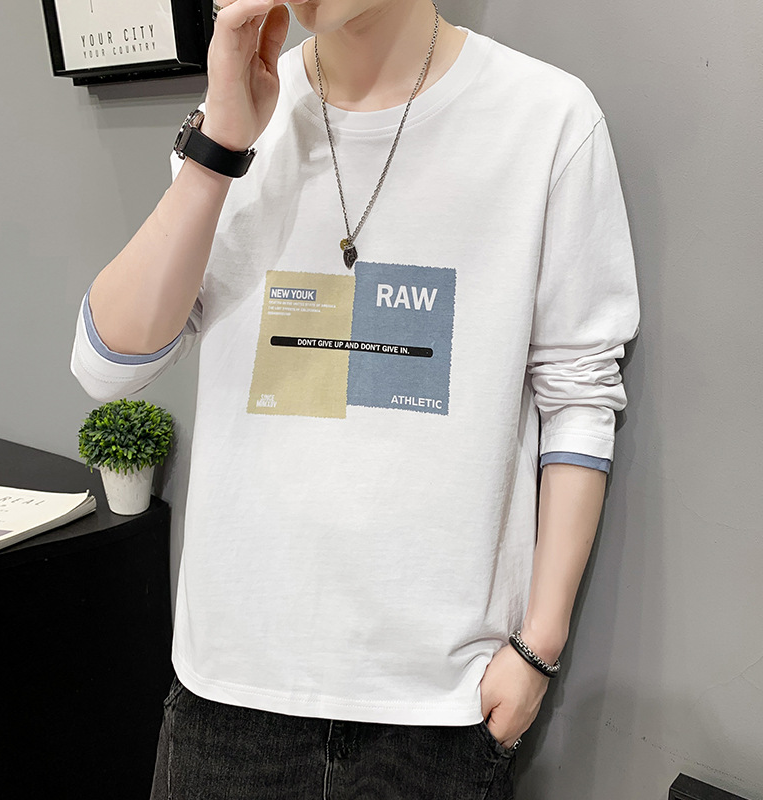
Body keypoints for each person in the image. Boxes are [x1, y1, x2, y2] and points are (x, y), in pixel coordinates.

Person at [71, 0, 640, 797]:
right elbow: (106, 367)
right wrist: (217, 148)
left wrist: (539, 648)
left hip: (438, 709)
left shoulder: (546, 117)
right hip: (230, 694)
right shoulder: (239, 122)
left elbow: (579, 390)